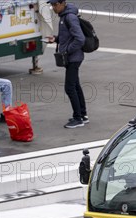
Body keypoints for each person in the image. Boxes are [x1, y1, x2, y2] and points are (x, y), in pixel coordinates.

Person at [45, 0, 88, 128]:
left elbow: (80, 39)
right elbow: (68, 36)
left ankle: (77, 118)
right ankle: (83, 115)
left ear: (62, 3)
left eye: (55, 5)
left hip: (74, 58)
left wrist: (67, 51)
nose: (53, 7)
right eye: (52, 5)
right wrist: (56, 38)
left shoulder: (69, 17)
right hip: (72, 57)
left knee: (69, 88)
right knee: (75, 85)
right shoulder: (64, 15)